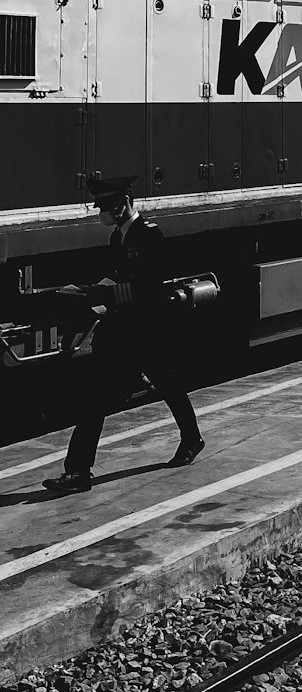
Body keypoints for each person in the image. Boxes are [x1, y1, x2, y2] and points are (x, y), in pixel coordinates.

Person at [43, 178, 204, 494]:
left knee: (167, 383)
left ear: (125, 203)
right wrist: (92, 293)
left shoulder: (149, 236)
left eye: (107, 207)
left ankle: (191, 438)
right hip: (121, 329)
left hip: (146, 329)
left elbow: (147, 288)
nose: (104, 213)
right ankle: (77, 472)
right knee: (95, 395)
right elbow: (116, 278)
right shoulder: (117, 238)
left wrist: (103, 293)